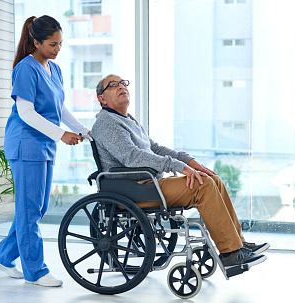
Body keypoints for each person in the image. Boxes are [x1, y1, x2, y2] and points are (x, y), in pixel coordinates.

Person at [91, 74, 270, 269]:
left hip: (149, 184)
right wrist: (180, 167)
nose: (121, 86)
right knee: (204, 185)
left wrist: (190, 162)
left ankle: (237, 244)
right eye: (113, 85)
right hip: (135, 189)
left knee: (213, 178)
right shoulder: (106, 123)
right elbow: (133, 157)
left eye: (123, 83)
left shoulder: (127, 119)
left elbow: (155, 149)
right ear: (102, 98)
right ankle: (230, 253)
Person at [0, 15, 89, 287]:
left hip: (44, 145)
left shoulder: (53, 69)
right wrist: (61, 134)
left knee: (37, 207)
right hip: (26, 145)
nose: (58, 49)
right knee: (30, 209)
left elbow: (59, 108)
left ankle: (4, 255)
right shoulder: (25, 69)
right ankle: (35, 271)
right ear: (36, 42)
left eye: (60, 44)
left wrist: (82, 129)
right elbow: (26, 112)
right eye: (52, 44)